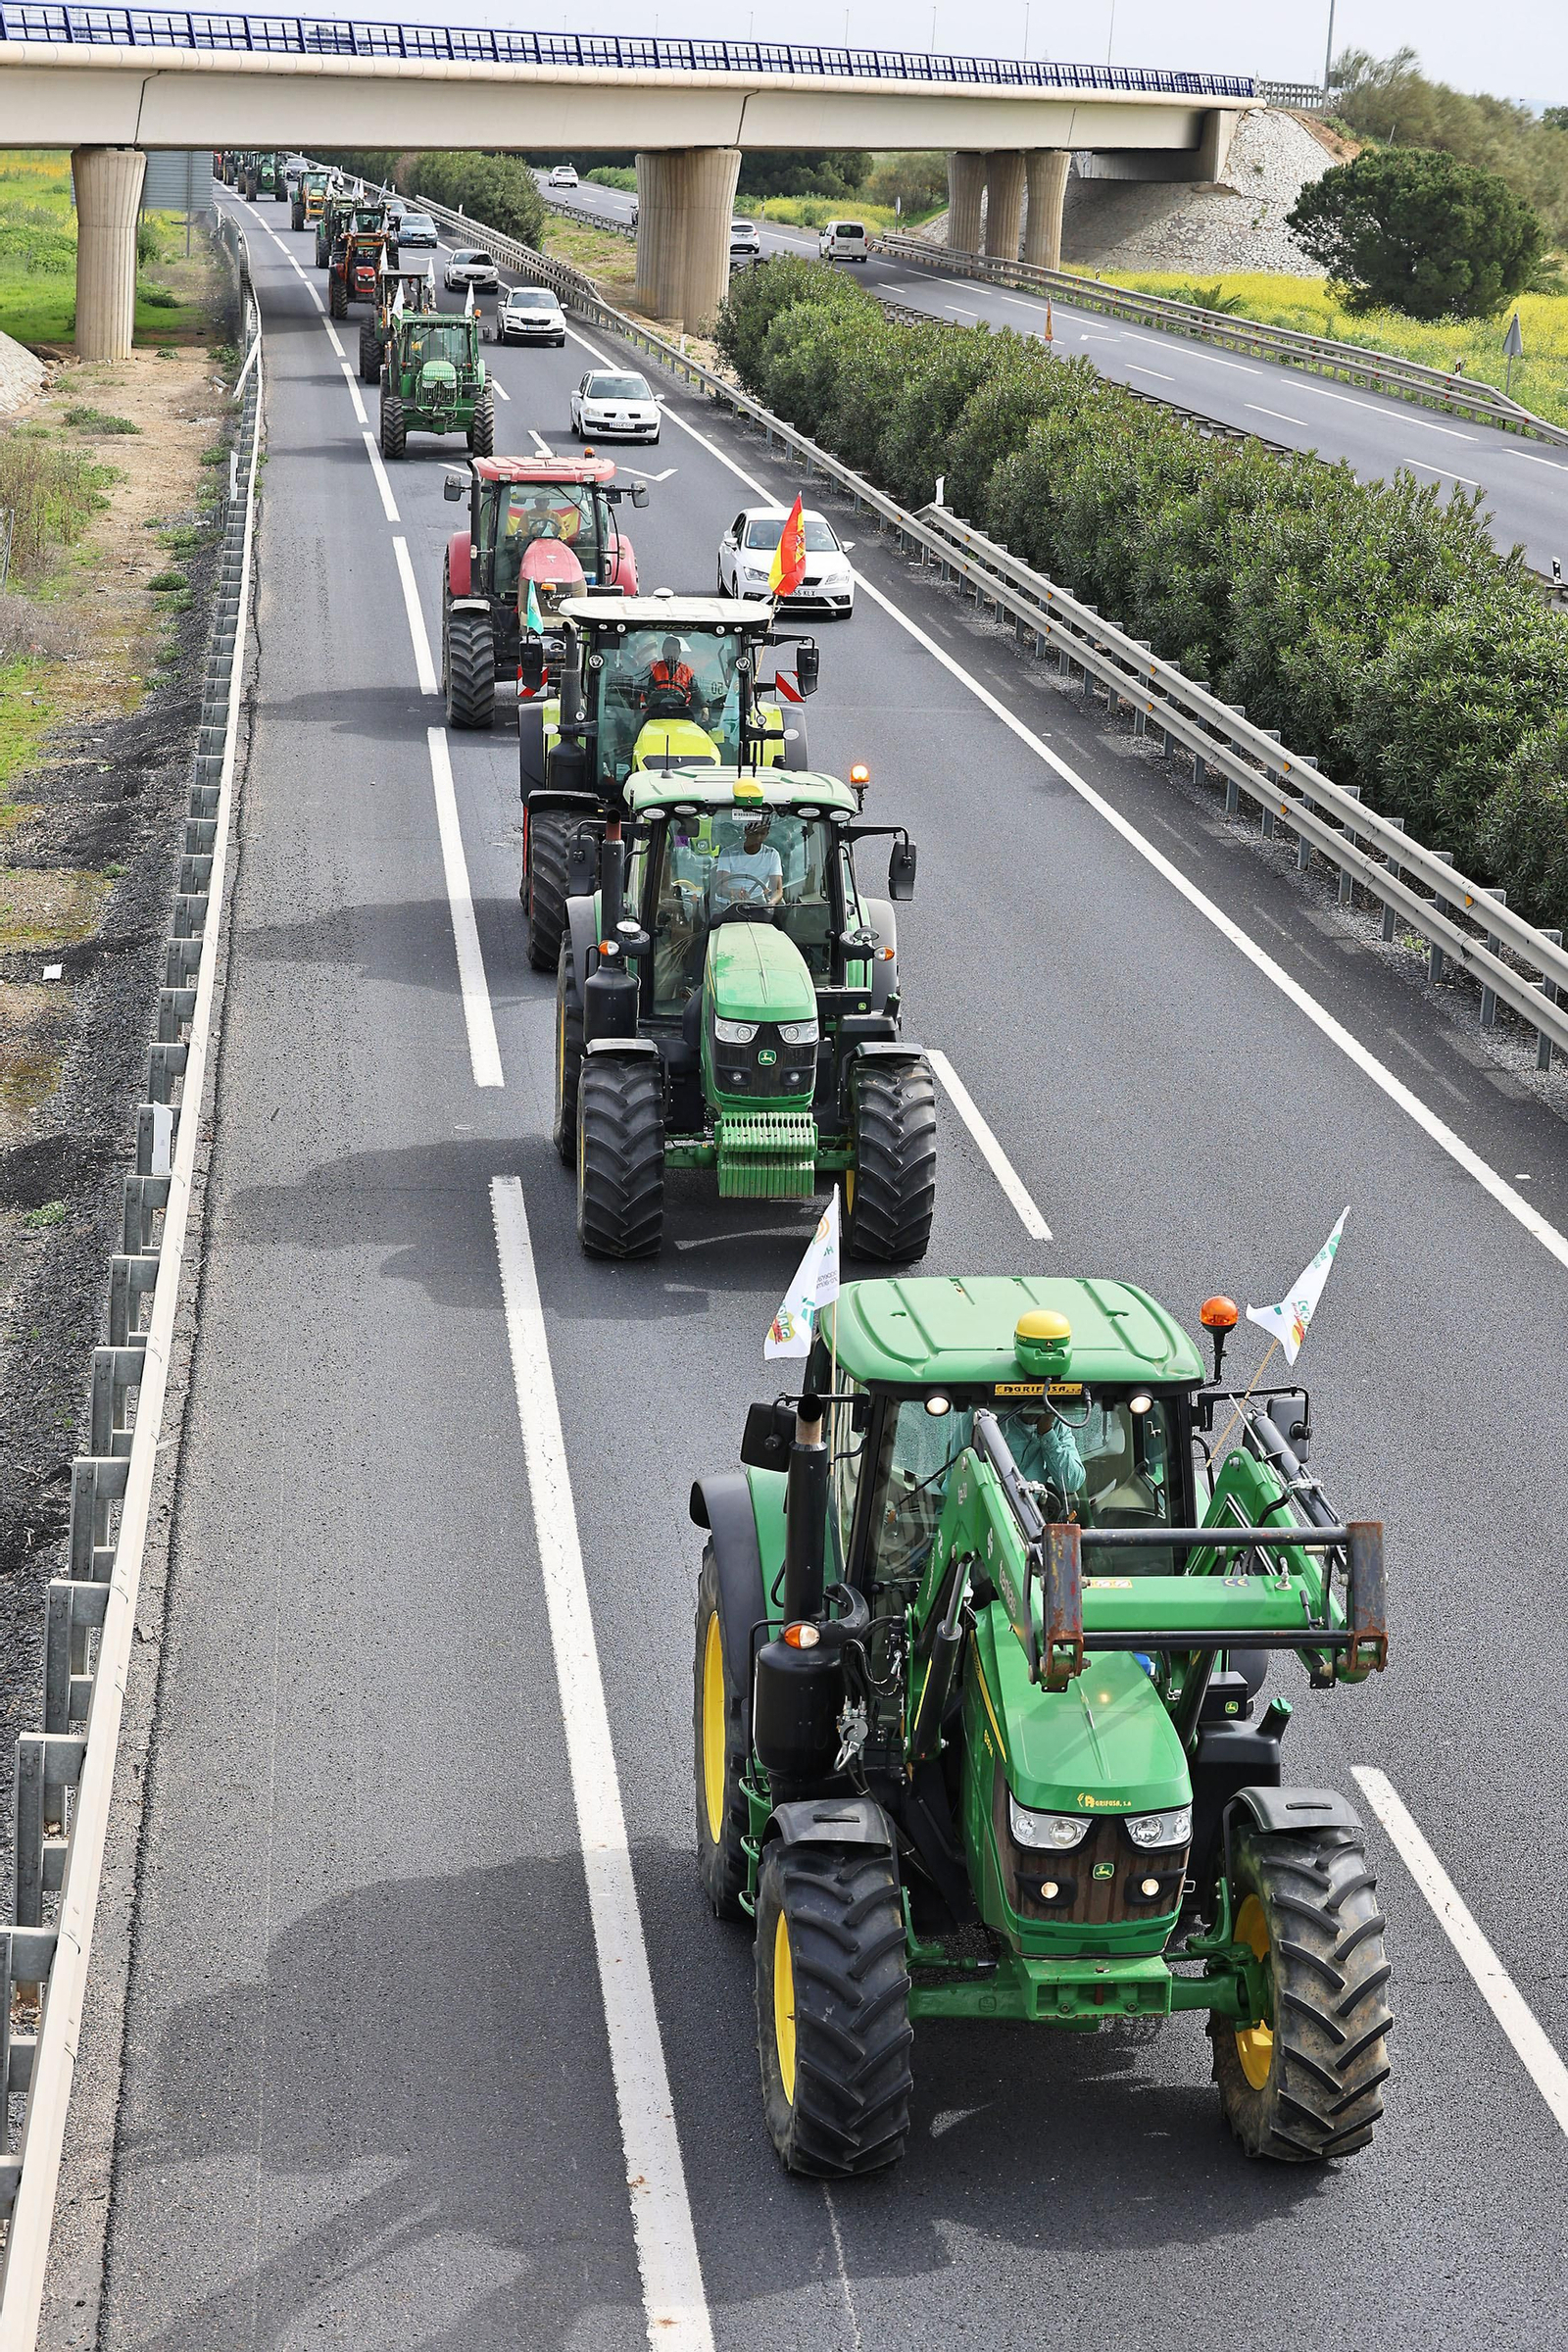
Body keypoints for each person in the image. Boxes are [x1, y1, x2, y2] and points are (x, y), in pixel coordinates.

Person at [711, 812, 784, 909]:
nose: (758, 838)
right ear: (746, 831)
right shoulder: (728, 853)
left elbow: (778, 890)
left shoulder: (771, 855)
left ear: (767, 834)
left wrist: (771, 903)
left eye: (762, 833)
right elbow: (721, 889)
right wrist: (733, 892)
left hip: (757, 903)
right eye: (754, 833)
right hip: (727, 903)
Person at [646, 635, 698, 708]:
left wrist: (704, 706)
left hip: (681, 711)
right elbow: (644, 690)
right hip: (655, 709)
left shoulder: (687, 672)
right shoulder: (652, 669)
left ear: (679, 652)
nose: (671, 654)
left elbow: (696, 693)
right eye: (668, 650)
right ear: (662, 651)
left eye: (674, 651)